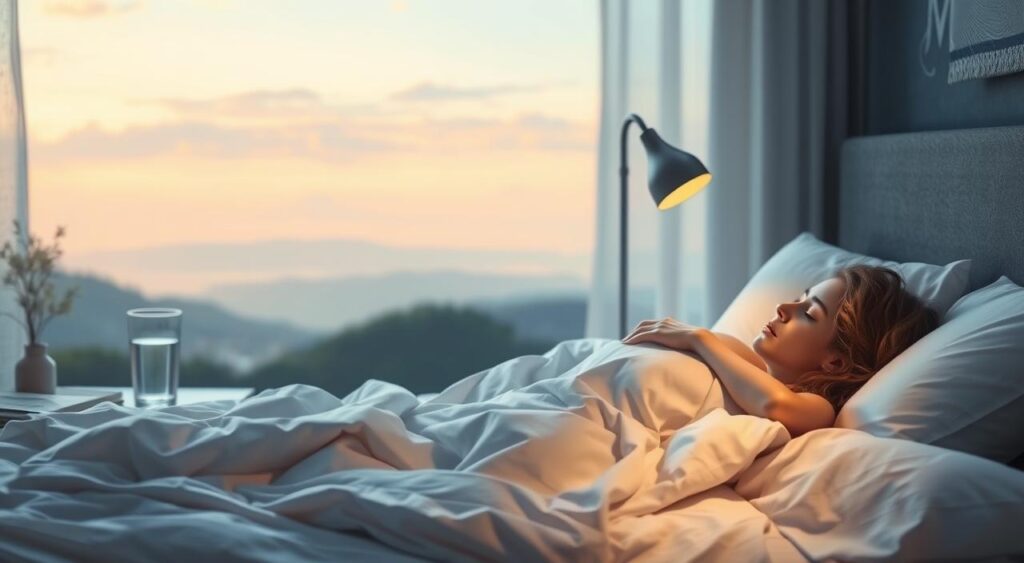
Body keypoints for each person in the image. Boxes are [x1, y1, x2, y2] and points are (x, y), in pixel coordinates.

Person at [621, 265, 939, 437]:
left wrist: (700, 339)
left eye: (809, 313)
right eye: (801, 297)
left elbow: (776, 405)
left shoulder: (818, 408)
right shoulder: (746, 361)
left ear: (836, 361)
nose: (784, 307)